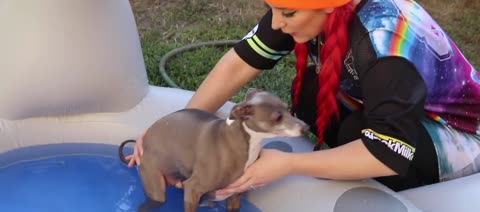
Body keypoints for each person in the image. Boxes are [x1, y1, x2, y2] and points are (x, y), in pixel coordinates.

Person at [126, 0, 480, 195]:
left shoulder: (385, 43)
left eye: (288, 13)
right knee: (313, 94)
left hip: (458, 137)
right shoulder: (309, 8)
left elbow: (389, 152)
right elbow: (238, 63)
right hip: (391, 104)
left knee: (356, 134)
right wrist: (177, 129)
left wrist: (287, 165)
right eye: (273, 8)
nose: (276, 23)